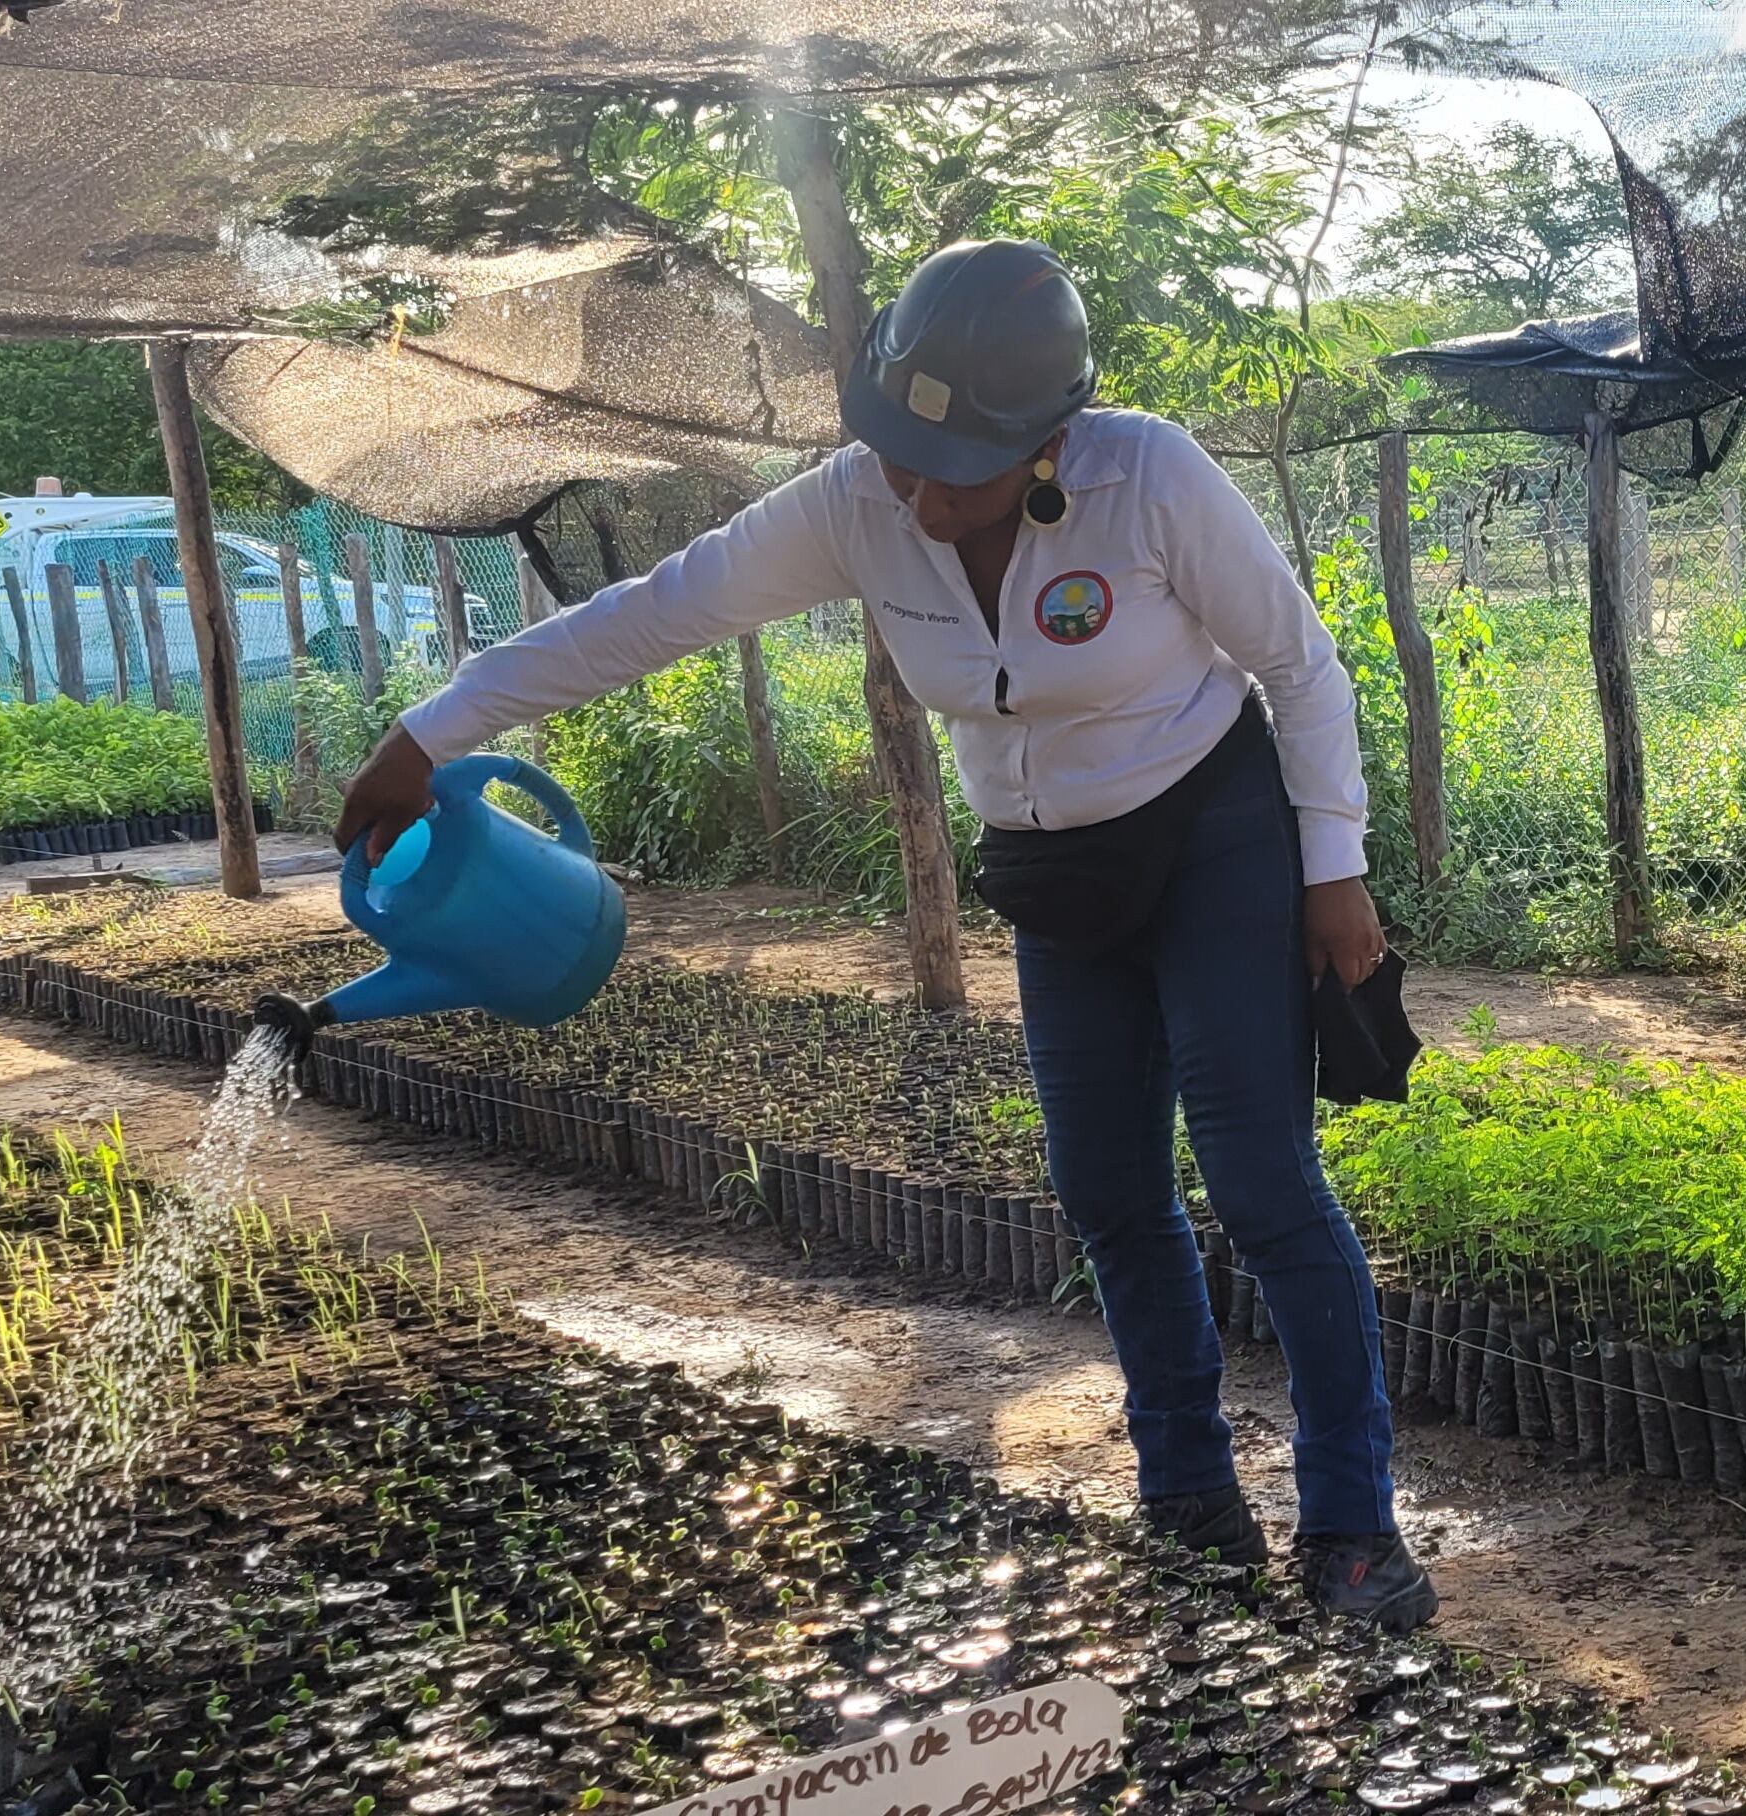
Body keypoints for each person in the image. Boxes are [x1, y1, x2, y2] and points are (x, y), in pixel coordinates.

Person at [334, 238, 1436, 1631]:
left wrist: (1332, 871)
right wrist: (429, 732)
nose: (920, 495)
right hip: (1052, 870)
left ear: (1048, 441)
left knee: (1261, 1183)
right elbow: (654, 612)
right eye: (902, 457)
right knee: (1104, 1188)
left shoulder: (1150, 475)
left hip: (1214, 839)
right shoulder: (861, 502)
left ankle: (1351, 1530)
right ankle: (1188, 1505)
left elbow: (1298, 664)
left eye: (958, 468)